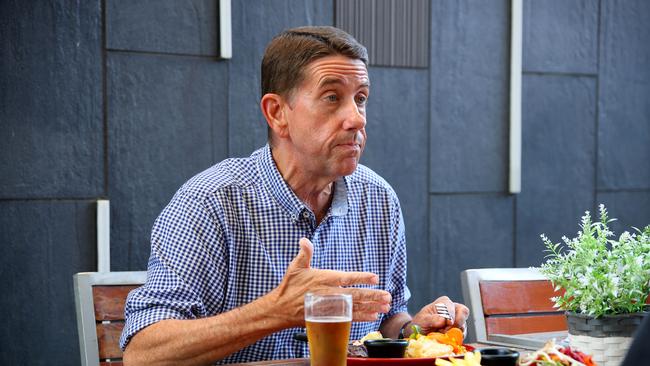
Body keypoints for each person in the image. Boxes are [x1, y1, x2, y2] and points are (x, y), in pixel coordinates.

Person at [120, 26, 469, 365]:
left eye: (360, 99)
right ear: (277, 113)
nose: (356, 119)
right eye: (332, 97)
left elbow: (388, 321)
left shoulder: (378, 199)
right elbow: (143, 353)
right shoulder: (210, 202)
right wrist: (275, 311)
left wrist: (417, 331)